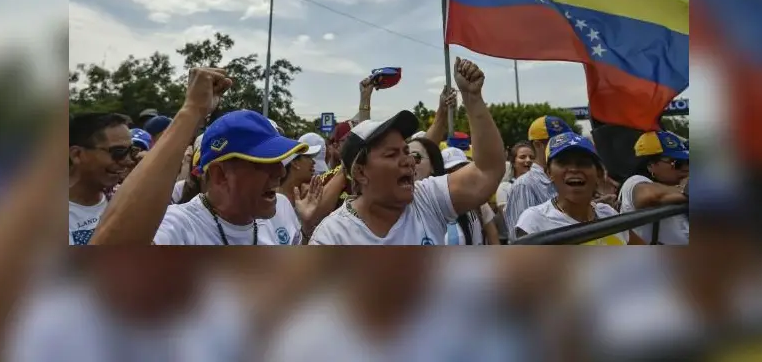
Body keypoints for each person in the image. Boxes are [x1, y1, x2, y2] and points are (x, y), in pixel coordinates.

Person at [91, 69, 328, 246]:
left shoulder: (279, 214)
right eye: (264, 163)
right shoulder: (179, 227)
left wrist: (307, 229)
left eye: (280, 161)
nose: (280, 172)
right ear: (220, 175)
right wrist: (191, 111)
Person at [309, 58, 506, 245]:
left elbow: (487, 172)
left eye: (406, 151)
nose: (409, 161)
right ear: (360, 173)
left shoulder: (427, 198)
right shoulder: (333, 236)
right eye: (391, 154)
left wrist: (472, 98)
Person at [514, 132, 644, 245]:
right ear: (549, 173)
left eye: (583, 163)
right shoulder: (534, 221)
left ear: (598, 174)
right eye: (563, 162)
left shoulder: (608, 214)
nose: (574, 169)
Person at [503, 115, 574, 242]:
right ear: (538, 145)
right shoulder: (524, 185)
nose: (566, 147)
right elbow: (521, 239)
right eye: (558, 142)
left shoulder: (564, 178)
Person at [68, 113, 133, 245]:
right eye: (118, 152)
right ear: (77, 154)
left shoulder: (124, 199)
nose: (128, 161)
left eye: (131, 151)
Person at [619, 131, 690, 245]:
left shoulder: (673, 187)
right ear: (651, 165)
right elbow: (647, 196)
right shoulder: (634, 181)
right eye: (678, 163)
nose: (686, 168)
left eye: (688, 162)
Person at [441, 147, 500, 245]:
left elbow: (493, 236)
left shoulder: (479, 202)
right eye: (450, 170)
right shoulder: (434, 205)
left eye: (461, 168)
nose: (457, 175)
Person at [496, 141, 534, 214]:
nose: (528, 160)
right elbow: (508, 216)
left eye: (532, 157)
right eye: (522, 157)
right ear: (513, 162)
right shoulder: (504, 188)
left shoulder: (541, 186)